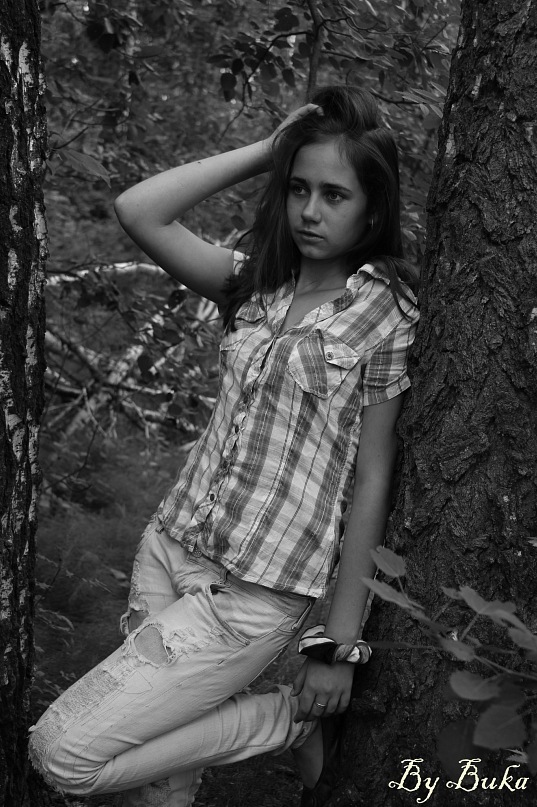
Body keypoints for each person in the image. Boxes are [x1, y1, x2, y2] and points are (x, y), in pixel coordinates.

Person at [29, 85, 419, 807]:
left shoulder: (389, 314)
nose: (309, 210)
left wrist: (336, 647)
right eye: (298, 188)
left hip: (254, 595)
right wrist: (270, 149)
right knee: (159, 789)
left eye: (334, 195)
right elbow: (139, 209)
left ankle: (283, 722)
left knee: (65, 754)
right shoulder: (254, 284)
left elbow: (373, 478)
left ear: (373, 208)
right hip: (169, 549)